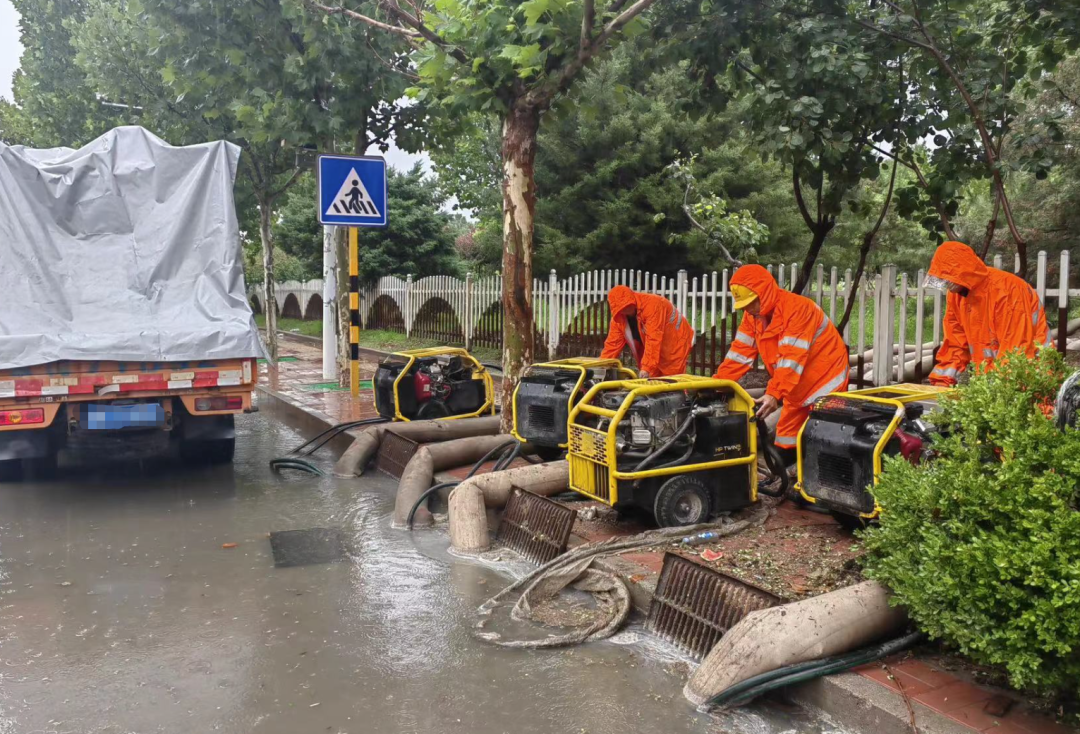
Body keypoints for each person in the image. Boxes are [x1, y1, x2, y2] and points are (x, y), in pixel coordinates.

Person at [713, 265, 849, 453]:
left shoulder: (798, 309)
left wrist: (774, 393)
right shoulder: (753, 316)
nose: (749, 309)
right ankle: (788, 477)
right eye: (744, 305)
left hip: (825, 382)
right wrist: (716, 384)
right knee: (786, 438)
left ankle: (813, 477)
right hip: (795, 385)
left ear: (765, 292)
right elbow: (739, 354)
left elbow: (790, 359)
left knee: (822, 438)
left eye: (752, 302)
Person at [925, 241, 1050, 387]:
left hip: (1032, 377)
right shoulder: (957, 295)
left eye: (949, 278)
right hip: (994, 381)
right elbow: (955, 344)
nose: (947, 284)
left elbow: (1016, 350)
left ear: (964, 273)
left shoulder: (1007, 290)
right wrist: (941, 384)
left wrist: (998, 392)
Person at [600, 285, 694, 378]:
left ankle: (679, 392)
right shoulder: (618, 319)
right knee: (652, 378)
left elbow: (653, 338)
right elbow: (612, 345)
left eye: (627, 305)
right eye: (621, 308)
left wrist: (647, 367)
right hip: (653, 342)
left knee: (673, 376)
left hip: (676, 339)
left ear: (632, 299)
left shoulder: (652, 305)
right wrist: (601, 366)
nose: (626, 309)